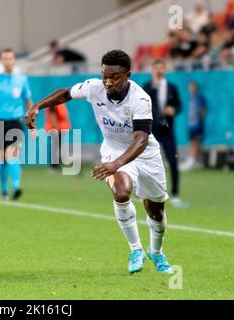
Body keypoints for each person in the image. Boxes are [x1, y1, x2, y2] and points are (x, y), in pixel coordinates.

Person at [25, 49, 173, 274]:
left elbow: (141, 140)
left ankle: (157, 252)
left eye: (114, 77)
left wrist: (117, 164)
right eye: (105, 75)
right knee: (122, 193)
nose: (108, 81)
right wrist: (38, 106)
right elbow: (65, 93)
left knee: (156, 211)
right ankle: (135, 249)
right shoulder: (94, 87)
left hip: (145, 155)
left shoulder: (140, 98)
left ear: (128, 75)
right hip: (114, 152)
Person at [0, 48, 33, 201]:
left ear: (14, 60)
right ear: (2, 61)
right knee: (1, 158)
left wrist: (32, 124)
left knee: (13, 154)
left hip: (16, 121)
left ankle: (16, 186)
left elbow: (28, 102)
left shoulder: (22, 80)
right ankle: (4, 190)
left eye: (10, 58)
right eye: (5, 58)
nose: (8, 61)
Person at [143, 59, 186, 208]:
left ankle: (175, 193)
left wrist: (174, 110)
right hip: (151, 130)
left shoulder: (172, 87)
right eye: (156, 68)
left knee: (173, 161)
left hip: (167, 130)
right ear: (152, 70)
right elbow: (143, 103)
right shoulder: (147, 87)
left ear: (165, 69)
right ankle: (144, 192)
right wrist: (155, 86)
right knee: (145, 161)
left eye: (161, 68)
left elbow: (179, 105)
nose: (159, 71)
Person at [180, 81, 206, 171]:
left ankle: (191, 160)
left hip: (197, 125)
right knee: (192, 142)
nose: (191, 88)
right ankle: (192, 160)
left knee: (195, 142)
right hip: (191, 125)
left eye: (192, 86)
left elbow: (202, 111)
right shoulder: (190, 98)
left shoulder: (199, 98)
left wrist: (199, 114)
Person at [44, 103, 70, 170]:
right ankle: (53, 166)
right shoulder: (54, 103)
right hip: (55, 129)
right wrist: (56, 129)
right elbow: (53, 116)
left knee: (57, 148)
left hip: (59, 128)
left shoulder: (59, 104)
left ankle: (56, 165)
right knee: (55, 148)